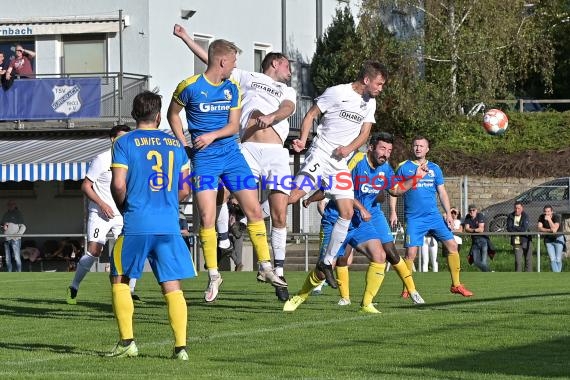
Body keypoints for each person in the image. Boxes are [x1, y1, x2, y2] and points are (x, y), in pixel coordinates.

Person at [173, 24, 296, 301]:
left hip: (275, 153)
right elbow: (211, 59)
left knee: (278, 211)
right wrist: (186, 38)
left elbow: (289, 109)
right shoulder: (244, 77)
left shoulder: (287, 90)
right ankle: (223, 242)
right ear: (275, 62)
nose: (291, 71)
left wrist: (273, 116)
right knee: (221, 196)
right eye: (288, 65)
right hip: (246, 148)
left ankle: (275, 267)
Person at [284, 133, 424, 313]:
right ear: (371, 147)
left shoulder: (386, 169)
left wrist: (416, 177)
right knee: (324, 268)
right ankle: (300, 295)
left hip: (358, 222)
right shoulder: (355, 161)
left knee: (380, 255)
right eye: (382, 149)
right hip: (337, 218)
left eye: (389, 150)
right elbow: (339, 186)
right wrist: (361, 207)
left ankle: (366, 304)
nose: (386, 154)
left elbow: (395, 190)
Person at [107, 90, 196, 360]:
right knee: (172, 285)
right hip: (169, 225)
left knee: (120, 279)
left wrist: (125, 206)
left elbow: (119, 184)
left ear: (135, 114)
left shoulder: (124, 143)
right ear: (158, 116)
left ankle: (127, 343)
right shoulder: (175, 146)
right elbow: (184, 190)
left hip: (137, 223)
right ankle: (180, 348)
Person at [288, 60, 387, 290]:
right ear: (366, 80)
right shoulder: (337, 92)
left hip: (339, 162)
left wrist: (349, 149)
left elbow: (364, 134)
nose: (380, 88)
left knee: (347, 211)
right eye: (379, 83)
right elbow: (311, 114)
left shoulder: (369, 103)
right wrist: (303, 139)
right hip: (321, 154)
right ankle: (248, 211)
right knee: (293, 196)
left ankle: (326, 262)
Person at [66, 125, 142, 305]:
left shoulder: (133, 158)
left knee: (129, 250)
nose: (125, 141)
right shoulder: (102, 159)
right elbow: (85, 185)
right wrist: (102, 203)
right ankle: (74, 286)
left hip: (122, 213)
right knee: (94, 252)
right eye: (121, 137)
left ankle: (129, 291)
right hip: (100, 213)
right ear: (112, 139)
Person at [390, 136, 473, 297]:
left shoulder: (435, 168)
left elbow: (442, 192)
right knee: (410, 254)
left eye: (421, 146)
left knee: (453, 246)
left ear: (427, 149)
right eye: (415, 145)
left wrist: (448, 213)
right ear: (412, 147)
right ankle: (407, 288)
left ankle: (456, 285)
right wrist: (393, 211)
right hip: (414, 218)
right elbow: (394, 190)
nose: (418, 148)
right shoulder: (404, 167)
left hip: (434, 216)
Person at [507, 201, 533, 272]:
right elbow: (509, 228)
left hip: (526, 240)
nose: (517, 210)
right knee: (518, 262)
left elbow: (524, 229)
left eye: (519, 208)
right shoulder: (510, 216)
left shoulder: (525, 216)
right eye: (515, 208)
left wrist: (514, 227)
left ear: (522, 208)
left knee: (528, 261)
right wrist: (518, 228)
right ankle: (518, 277)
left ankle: (529, 277)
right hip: (516, 242)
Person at [463, 205, 491, 272]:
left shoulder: (480, 215)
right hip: (475, 241)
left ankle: (487, 275)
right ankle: (489, 272)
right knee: (476, 261)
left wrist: (472, 230)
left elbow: (481, 229)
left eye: (473, 210)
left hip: (483, 240)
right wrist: (475, 230)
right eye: (470, 210)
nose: (471, 212)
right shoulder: (467, 217)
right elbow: (466, 228)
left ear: (476, 210)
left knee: (483, 262)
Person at [1, 200, 26, 272]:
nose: (10, 205)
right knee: (7, 259)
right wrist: (3, 227)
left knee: (17, 258)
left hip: (15, 240)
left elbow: (23, 227)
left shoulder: (18, 214)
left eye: (12, 204)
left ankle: (19, 273)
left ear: (15, 205)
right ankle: (9, 273)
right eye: (8, 204)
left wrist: (17, 236)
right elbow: (2, 225)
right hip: (6, 239)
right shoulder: (5, 214)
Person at [538, 205, 564, 272]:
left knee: (558, 259)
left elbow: (555, 229)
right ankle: (557, 276)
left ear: (552, 211)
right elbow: (539, 228)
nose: (547, 213)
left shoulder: (556, 217)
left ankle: (557, 276)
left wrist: (549, 220)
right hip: (548, 240)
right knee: (552, 259)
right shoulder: (541, 217)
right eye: (545, 211)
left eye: (548, 211)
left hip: (558, 239)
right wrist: (549, 230)